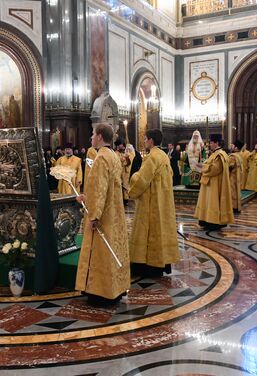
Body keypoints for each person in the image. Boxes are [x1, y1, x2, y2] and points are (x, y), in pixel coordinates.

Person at [75, 123, 130, 306]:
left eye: (92, 134)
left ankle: (100, 292)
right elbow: (106, 187)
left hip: (103, 216)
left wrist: (94, 216)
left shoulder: (100, 158)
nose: (91, 137)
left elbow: (99, 190)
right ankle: (115, 289)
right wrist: (85, 196)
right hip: (115, 212)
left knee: (101, 253)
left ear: (99, 136)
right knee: (112, 250)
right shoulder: (113, 156)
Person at [128, 129, 179, 277]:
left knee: (149, 232)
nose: (144, 141)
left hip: (151, 203)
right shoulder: (163, 156)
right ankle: (161, 264)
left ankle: (148, 266)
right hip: (163, 202)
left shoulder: (152, 157)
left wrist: (133, 178)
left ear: (151, 140)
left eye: (145, 139)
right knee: (160, 232)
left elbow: (142, 180)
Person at [194, 134, 234, 230]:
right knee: (208, 203)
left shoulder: (220, 155)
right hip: (210, 183)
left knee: (213, 203)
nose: (210, 145)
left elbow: (214, 169)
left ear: (216, 143)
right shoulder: (215, 154)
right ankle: (207, 221)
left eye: (211, 143)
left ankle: (213, 222)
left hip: (214, 184)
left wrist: (201, 167)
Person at [229, 140, 244, 213]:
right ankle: (237, 206)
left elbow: (230, 166)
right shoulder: (240, 154)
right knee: (237, 192)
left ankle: (233, 207)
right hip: (238, 176)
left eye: (233, 146)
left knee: (232, 192)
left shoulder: (233, 156)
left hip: (232, 177)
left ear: (236, 147)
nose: (231, 146)